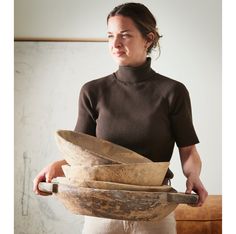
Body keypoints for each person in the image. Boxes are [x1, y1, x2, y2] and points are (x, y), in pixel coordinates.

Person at [33, 2, 208, 233]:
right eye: (110, 36)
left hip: (154, 211)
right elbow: (82, 156)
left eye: (124, 35)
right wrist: (56, 166)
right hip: (101, 211)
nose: (115, 44)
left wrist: (193, 175)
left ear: (148, 39)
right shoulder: (92, 91)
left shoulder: (173, 91)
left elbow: (188, 151)